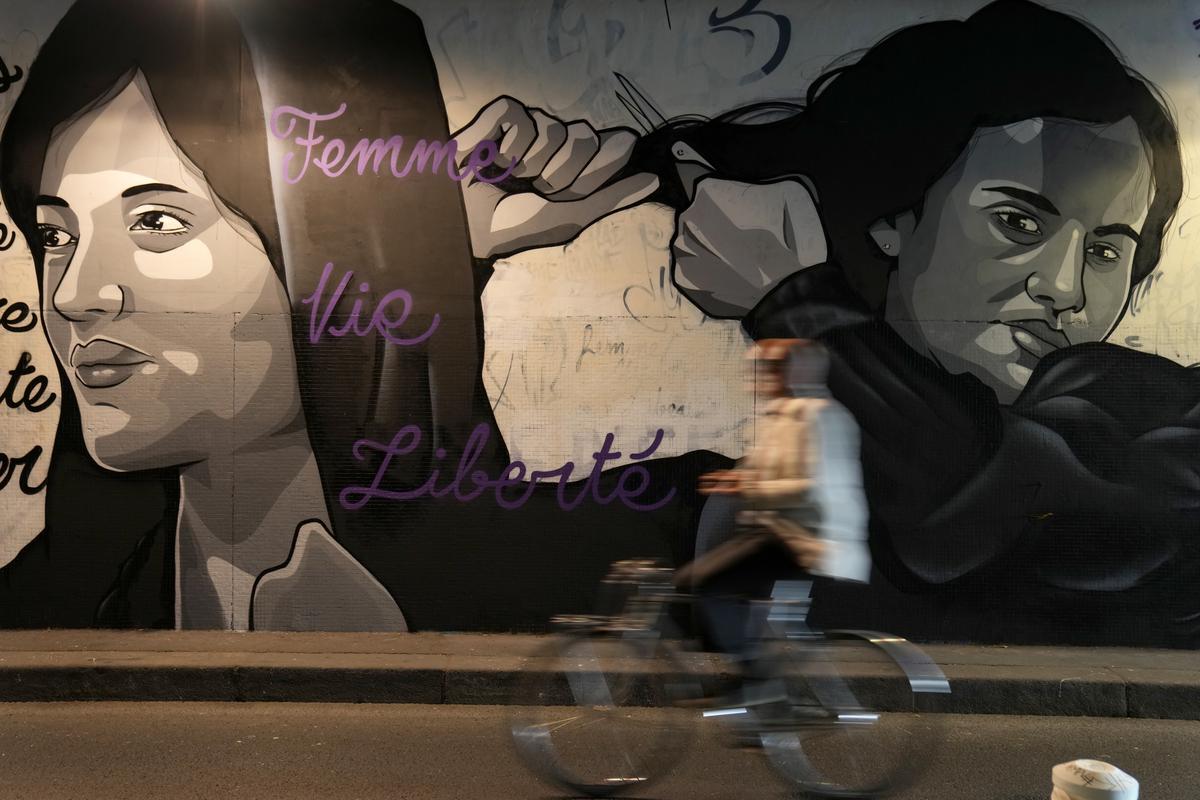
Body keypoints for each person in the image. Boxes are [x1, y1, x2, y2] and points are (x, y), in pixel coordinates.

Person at [455, 0, 1200, 646]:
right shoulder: (783, 488)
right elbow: (432, 546)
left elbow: (992, 492)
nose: (1065, 289)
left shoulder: (1162, 432)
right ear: (894, 219)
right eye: (1015, 222)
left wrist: (797, 300)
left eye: (1107, 251)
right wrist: (450, 244)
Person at [0, 0, 716, 631]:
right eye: (57, 236)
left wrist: (424, 249)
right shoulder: (66, 596)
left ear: (316, 252)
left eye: (157, 221)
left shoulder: (602, 557)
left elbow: (797, 513)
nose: (73, 294)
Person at [687, 339, 869, 661]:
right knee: (725, 589)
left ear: (793, 373)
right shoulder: (779, 416)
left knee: (711, 583)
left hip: (810, 540)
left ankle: (750, 684)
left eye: (769, 370)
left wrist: (750, 489)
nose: (758, 378)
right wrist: (736, 480)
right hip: (781, 534)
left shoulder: (820, 417)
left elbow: (814, 488)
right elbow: (765, 474)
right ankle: (762, 681)